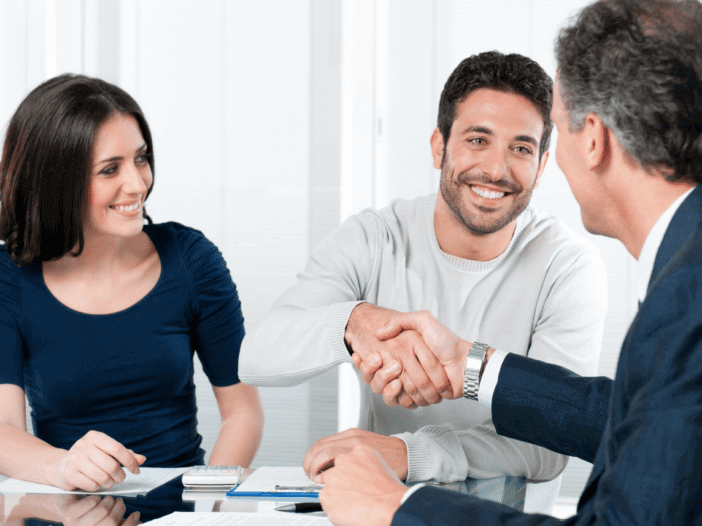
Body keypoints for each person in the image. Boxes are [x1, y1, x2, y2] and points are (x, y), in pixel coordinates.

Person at [319, 0, 702, 524]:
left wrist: (399, 507)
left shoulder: (686, 296)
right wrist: (468, 364)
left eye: (555, 132)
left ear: (593, 139)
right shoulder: (687, 260)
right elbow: (642, 418)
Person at [239, 51, 607, 492]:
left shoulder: (567, 265)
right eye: (477, 140)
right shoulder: (374, 238)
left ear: (542, 166)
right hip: (381, 508)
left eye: (521, 148)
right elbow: (256, 356)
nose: (495, 168)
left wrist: (414, 453)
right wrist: (355, 323)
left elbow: (551, 445)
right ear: (439, 146)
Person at [0, 74, 264, 492]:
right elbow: (4, 431)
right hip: (67, 506)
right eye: (110, 170)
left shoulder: (192, 260)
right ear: (56, 182)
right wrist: (64, 466)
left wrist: (208, 502)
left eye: (140, 159)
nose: (138, 184)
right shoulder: (9, 278)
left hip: (183, 505)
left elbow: (242, 413)